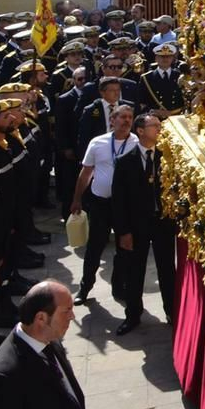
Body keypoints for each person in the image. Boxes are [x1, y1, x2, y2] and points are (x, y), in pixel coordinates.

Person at [0, 280, 87, 409]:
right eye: (67, 310)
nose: (72, 316)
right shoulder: (0, 379)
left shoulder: (51, 340)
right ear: (41, 318)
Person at [109, 113, 176, 335]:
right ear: (140, 131)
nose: (159, 129)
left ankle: (172, 311)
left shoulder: (167, 157)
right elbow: (118, 201)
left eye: (159, 125)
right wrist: (123, 232)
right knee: (134, 270)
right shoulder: (125, 161)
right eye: (154, 125)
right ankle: (133, 314)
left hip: (162, 223)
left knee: (167, 269)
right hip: (136, 225)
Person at [70, 104, 138, 303]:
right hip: (101, 203)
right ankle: (85, 288)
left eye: (129, 117)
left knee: (123, 248)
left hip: (125, 206)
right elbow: (86, 173)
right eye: (122, 117)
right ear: (112, 120)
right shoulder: (97, 143)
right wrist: (77, 198)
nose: (126, 121)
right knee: (94, 247)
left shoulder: (137, 143)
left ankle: (119, 288)